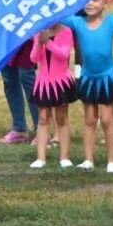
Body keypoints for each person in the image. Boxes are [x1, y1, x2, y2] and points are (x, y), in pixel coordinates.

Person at [62, 0, 113, 174]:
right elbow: (57, 15)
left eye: (96, 0)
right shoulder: (77, 23)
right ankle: (88, 159)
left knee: (107, 120)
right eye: (87, 0)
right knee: (90, 119)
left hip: (106, 78)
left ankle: (112, 161)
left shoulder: (111, 22)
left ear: (105, 4)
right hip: (88, 78)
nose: (90, 3)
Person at [29, 23, 76, 169]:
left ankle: (64, 157)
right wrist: (39, 43)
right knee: (43, 119)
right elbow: (34, 58)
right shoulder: (38, 32)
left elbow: (64, 54)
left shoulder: (66, 31)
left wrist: (48, 42)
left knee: (61, 118)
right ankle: (40, 158)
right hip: (43, 82)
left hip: (61, 82)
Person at [0, 39, 38, 144]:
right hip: (7, 36)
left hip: (27, 35)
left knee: (26, 76)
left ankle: (41, 129)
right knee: (8, 78)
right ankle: (19, 129)